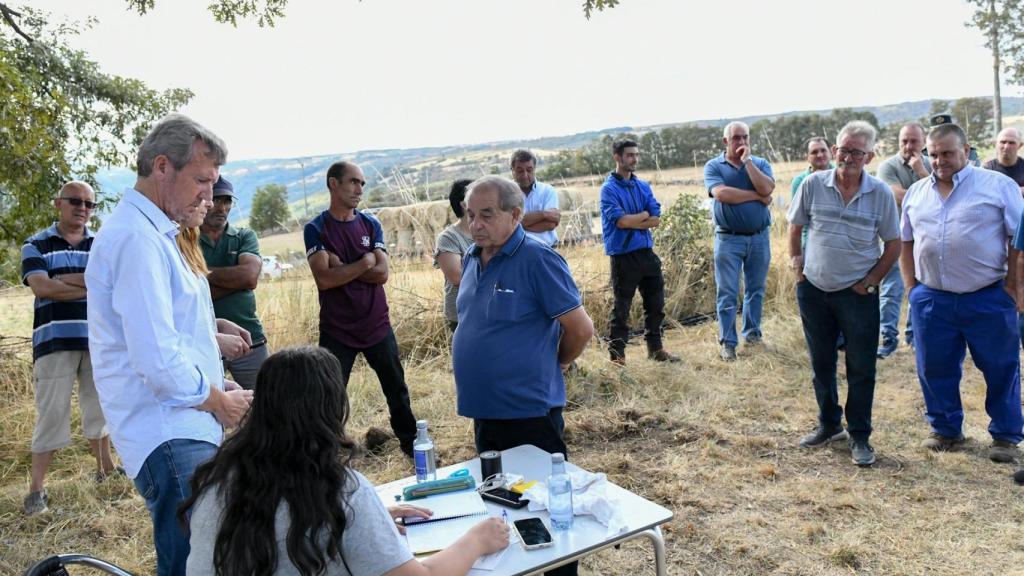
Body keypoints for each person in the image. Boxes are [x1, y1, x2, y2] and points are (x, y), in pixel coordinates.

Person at [86, 114, 254, 576]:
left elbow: (168, 332)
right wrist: (220, 401)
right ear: (162, 167)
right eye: (201, 180)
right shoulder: (137, 240)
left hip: (183, 425)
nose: (209, 195)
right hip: (169, 431)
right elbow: (157, 360)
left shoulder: (154, 235)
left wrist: (213, 353)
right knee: (192, 566)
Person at [184, 346, 510, 576]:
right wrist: (477, 540)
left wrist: (371, 520)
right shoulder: (342, 492)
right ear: (331, 410)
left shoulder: (216, 481)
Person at [453, 176, 592, 576]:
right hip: (485, 412)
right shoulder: (471, 256)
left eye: (487, 214)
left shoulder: (538, 259)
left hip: (528, 412)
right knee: (500, 505)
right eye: (470, 215)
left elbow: (580, 328)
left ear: (516, 215)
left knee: (547, 508)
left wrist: (558, 362)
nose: (475, 224)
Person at [901, 122, 1023, 465]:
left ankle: (1005, 435)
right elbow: (906, 241)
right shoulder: (917, 192)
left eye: (948, 153)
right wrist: (912, 288)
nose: (940, 161)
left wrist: (1015, 287)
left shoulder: (998, 186)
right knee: (934, 367)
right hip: (933, 298)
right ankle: (945, 430)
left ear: (966, 151)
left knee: (1001, 367)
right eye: (934, 154)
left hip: (987, 295)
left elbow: (1019, 239)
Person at [787, 121, 900, 467]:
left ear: (869, 156)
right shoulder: (811, 185)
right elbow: (795, 227)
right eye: (843, 150)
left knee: (861, 366)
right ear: (834, 150)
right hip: (815, 289)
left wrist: (870, 282)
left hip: (857, 295)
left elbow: (894, 245)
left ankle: (860, 436)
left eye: (856, 152)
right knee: (821, 362)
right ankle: (829, 424)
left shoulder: (880, 193)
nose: (847, 157)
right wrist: (798, 267)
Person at [304, 160, 418, 456]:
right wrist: (365, 261)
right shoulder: (316, 228)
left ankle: (412, 447)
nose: (359, 189)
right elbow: (325, 280)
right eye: (353, 181)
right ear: (333, 184)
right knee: (330, 396)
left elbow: (382, 274)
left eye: (362, 183)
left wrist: (351, 266)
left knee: (397, 390)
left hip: (376, 324)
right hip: (337, 329)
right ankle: (328, 456)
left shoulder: (371, 223)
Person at [20, 181, 119, 516]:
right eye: (75, 201)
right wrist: (91, 283)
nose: (82, 208)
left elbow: (113, 284)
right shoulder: (35, 244)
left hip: (99, 340)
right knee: (51, 414)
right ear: (58, 203)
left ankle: (105, 471)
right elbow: (42, 287)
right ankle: (36, 491)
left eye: (89, 204)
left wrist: (65, 281)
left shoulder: (102, 244)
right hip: (54, 342)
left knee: (100, 407)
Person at [599, 139, 679, 366]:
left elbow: (656, 219)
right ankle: (617, 357)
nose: (634, 159)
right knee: (621, 309)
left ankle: (656, 349)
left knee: (656, 305)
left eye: (636, 154)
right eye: (629, 155)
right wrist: (641, 216)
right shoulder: (608, 190)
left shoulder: (643, 186)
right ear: (617, 157)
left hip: (646, 253)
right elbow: (622, 223)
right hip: (624, 257)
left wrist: (636, 219)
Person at [704, 121, 775, 361]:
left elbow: (767, 187)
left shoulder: (760, 164)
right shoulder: (714, 166)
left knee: (755, 289)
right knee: (728, 291)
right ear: (726, 142)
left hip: (759, 238)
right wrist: (757, 196)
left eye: (745, 137)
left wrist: (748, 163)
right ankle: (728, 343)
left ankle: (753, 335)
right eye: (736, 138)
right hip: (728, 240)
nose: (742, 142)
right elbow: (722, 194)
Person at [199, 175, 268, 389]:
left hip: (249, 338)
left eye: (227, 201)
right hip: (205, 338)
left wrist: (200, 277)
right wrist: (235, 282)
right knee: (209, 409)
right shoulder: (186, 238)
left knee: (264, 405)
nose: (222, 207)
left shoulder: (244, 236)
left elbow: (249, 277)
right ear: (205, 200)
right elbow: (184, 290)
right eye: (217, 199)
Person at [874, 122, 931, 357]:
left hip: (926, 240)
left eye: (914, 141)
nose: (908, 146)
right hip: (895, 240)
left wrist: (921, 172)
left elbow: (943, 195)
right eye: (904, 141)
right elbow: (898, 196)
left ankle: (914, 335)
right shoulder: (888, 166)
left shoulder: (929, 164)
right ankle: (888, 338)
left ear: (923, 142)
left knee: (919, 290)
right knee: (891, 290)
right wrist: (928, 189)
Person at [433, 179, 474, 333]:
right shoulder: (448, 237)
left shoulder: (488, 232)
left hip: (488, 308)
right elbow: (457, 277)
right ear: (464, 204)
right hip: (462, 312)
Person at [790, 137, 834, 250]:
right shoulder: (799, 182)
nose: (820, 155)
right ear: (807, 157)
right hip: (811, 245)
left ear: (831, 152)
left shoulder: (843, 176)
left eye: (823, 150)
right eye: (814, 152)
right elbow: (796, 222)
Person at [510, 149, 561, 246]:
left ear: (535, 168)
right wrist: (545, 214)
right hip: (517, 252)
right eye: (520, 171)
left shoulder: (548, 190)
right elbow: (507, 224)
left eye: (529, 170)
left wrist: (517, 225)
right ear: (512, 170)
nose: (525, 175)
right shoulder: (505, 194)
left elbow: (551, 225)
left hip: (547, 249)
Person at [983, 127, 1024, 191]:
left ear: (1020, 145)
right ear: (996, 143)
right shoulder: (986, 170)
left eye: (1011, 143)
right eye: (1003, 142)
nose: (1006, 147)